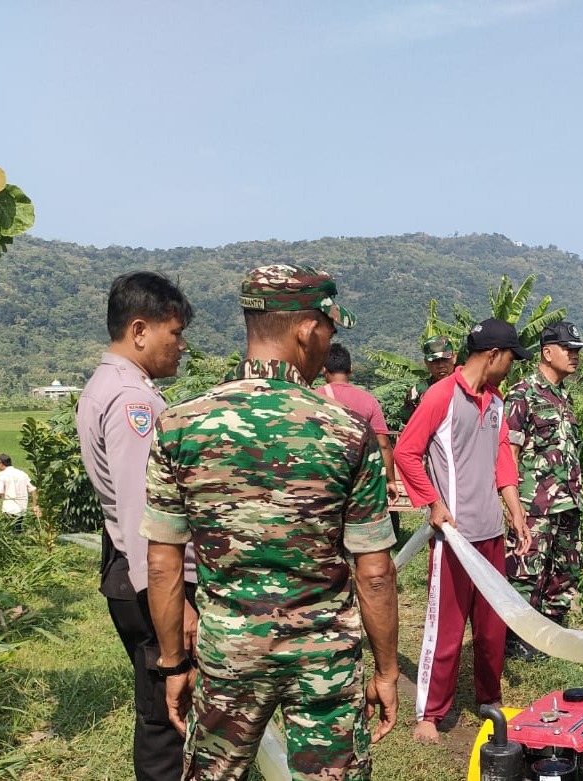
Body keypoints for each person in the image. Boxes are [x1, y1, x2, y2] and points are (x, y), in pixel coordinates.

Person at [142, 264, 399, 779]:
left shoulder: (178, 425)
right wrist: (388, 671)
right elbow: (374, 571)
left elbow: (163, 564)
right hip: (323, 659)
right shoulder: (348, 433)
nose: (328, 342)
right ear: (307, 330)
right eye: (328, 329)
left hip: (228, 656)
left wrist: (173, 662)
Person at [75, 271, 195, 781]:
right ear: (140, 330)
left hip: (135, 574)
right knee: (164, 711)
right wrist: (178, 605)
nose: (182, 347)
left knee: (160, 705)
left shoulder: (111, 386)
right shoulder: (133, 402)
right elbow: (140, 512)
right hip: (151, 581)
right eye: (176, 334)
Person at [393, 317, 531, 745]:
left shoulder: (495, 400)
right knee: (447, 629)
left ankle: (491, 701)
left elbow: (501, 459)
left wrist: (516, 511)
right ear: (493, 355)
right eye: (511, 357)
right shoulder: (440, 397)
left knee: (492, 628)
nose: (512, 365)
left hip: (490, 535)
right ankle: (430, 715)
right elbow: (406, 452)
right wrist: (434, 504)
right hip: (455, 538)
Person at [503, 321, 583, 661]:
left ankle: (551, 633)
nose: (574, 355)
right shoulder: (522, 395)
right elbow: (507, 456)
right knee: (526, 573)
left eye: (577, 350)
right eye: (568, 349)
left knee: (564, 571)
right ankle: (517, 641)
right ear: (546, 351)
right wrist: (513, 509)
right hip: (534, 504)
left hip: (568, 501)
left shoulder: (562, 397)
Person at [321, 343, 399, 514]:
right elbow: (384, 445)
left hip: (325, 478)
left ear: (324, 369)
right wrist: (390, 480)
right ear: (351, 368)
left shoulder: (313, 398)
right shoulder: (368, 400)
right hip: (361, 482)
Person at [396, 335, 456, 429]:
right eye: (434, 361)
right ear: (426, 363)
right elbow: (406, 426)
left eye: (445, 359)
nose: (440, 365)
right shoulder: (417, 391)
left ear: (454, 358)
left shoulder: (469, 386)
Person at [0, 453, 38, 523]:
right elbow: (33, 489)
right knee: (18, 529)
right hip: (22, 509)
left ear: (1, 463)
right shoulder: (22, 474)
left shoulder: (2, 475)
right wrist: (34, 506)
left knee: (9, 531)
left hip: (9, 509)